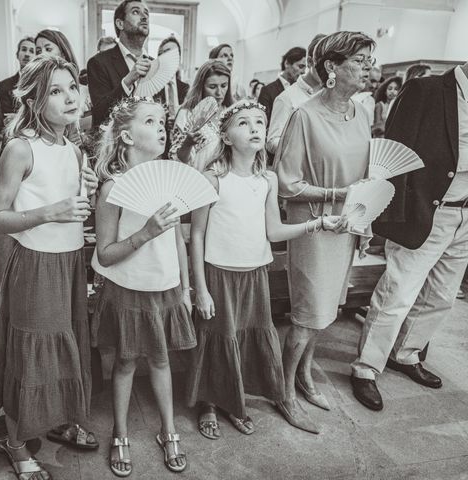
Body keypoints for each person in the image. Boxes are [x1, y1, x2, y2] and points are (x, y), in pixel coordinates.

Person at [187, 100, 346, 441]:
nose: (255, 128)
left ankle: (234, 401)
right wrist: (199, 288)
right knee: (217, 339)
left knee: (246, 338)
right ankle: (209, 404)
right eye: (243, 123)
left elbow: (273, 232)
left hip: (255, 273)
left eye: (259, 122)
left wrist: (317, 223)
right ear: (226, 137)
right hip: (219, 273)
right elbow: (196, 235)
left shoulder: (268, 180)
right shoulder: (213, 179)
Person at [0, 56, 99, 480]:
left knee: (67, 348)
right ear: (33, 99)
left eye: (73, 86)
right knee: (31, 357)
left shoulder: (73, 147)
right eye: (55, 90)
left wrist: (86, 189)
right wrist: (49, 211)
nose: (70, 96)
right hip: (34, 266)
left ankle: (57, 420)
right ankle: (16, 445)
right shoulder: (20, 147)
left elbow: (75, 209)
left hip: (70, 262)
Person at [350, 61, 468, 412]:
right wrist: (391, 214)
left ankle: (407, 352)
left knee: (442, 296)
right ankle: (366, 368)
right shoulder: (427, 90)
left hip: (465, 214)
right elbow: (395, 151)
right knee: (398, 292)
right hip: (428, 210)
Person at [274, 31, 375, 434]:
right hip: (315, 226)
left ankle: (305, 375)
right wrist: (338, 194)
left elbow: (368, 176)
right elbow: (287, 184)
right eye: (360, 60)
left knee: (327, 312)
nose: (368, 67)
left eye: (370, 59)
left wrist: (365, 216)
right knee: (305, 316)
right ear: (331, 67)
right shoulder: (305, 115)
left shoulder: (362, 114)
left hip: (348, 227)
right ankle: (283, 391)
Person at [91, 97, 195, 476]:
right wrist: (145, 232)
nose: (161, 126)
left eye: (163, 120)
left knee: (162, 359)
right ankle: (119, 432)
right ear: (126, 136)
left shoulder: (170, 180)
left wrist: (184, 289)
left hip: (164, 286)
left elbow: (180, 242)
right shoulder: (112, 189)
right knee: (124, 361)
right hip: (127, 288)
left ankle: (168, 429)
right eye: (150, 121)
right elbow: (104, 254)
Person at [87, 0, 165, 129]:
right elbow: (100, 114)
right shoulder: (98, 63)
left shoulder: (155, 65)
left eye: (146, 13)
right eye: (136, 12)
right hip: (115, 145)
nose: (144, 17)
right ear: (120, 23)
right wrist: (127, 81)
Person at [267, 34, 325, 156]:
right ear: (310, 62)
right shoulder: (286, 98)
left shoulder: (330, 95)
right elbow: (272, 142)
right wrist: (302, 148)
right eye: (323, 65)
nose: (328, 72)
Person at [169, 60, 233, 171]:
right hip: (198, 177)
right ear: (201, 87)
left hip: (227, 177)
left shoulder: (231, 112)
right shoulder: (187, 113)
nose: (219, 92)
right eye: (212, 87)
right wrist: (187, 144)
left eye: (224, 85)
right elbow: (175, 159)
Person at [0, 36, 35, 134]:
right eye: (24, 49)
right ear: (17, 55)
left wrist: (18, 117)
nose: (27, 54)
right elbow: (7, 120)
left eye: (32, 51)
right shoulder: (4, 85)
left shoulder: (42, 84)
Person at [259, 46, 307, 122]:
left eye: (305, 68)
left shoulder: (301, 90)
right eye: (300, 66)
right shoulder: (267, 91)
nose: (303, 72)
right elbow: (263, 121)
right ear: (287, 63)